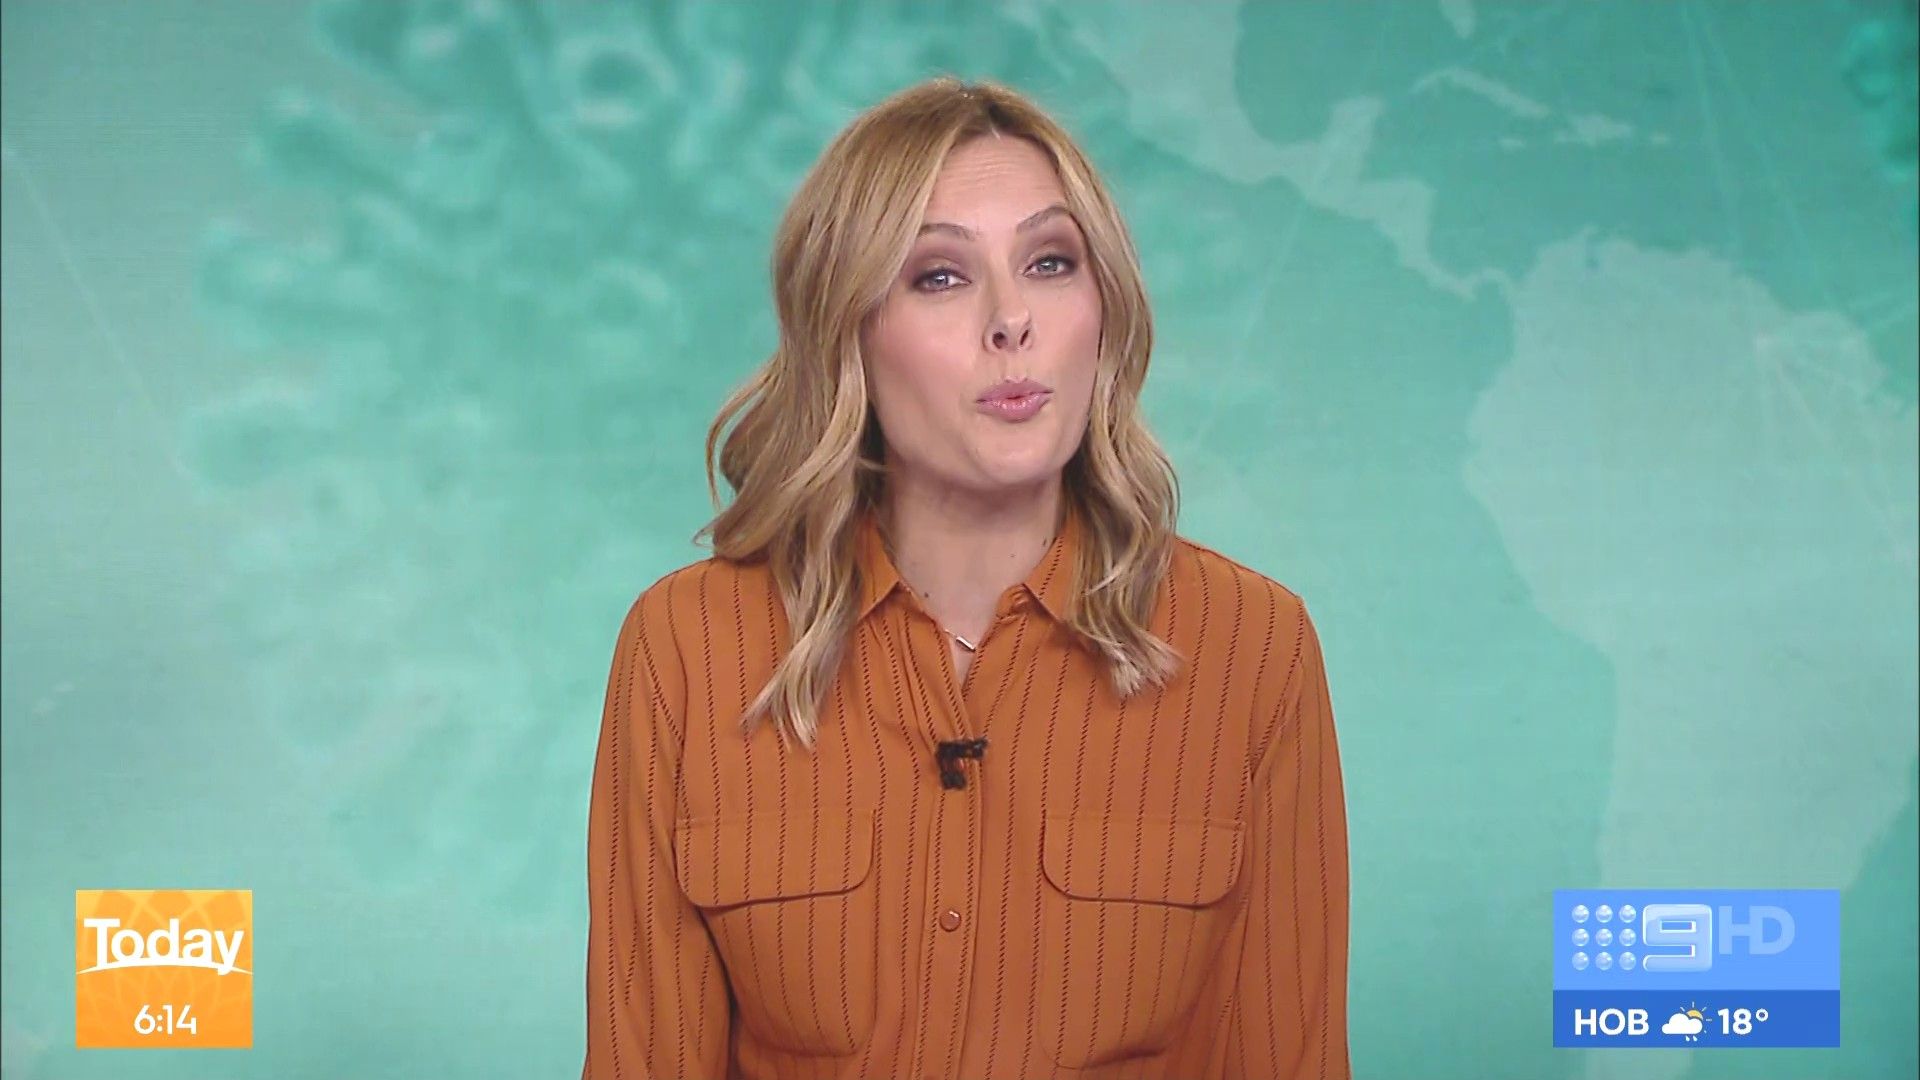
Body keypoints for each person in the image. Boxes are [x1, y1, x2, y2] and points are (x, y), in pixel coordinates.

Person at [582, 75, 1350, 1080]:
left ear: (1104, 310)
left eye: (1050, 262)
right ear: (849, 331)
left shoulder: (1254, 647)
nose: (1010, 320)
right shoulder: (685, 647)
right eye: (940, 276)